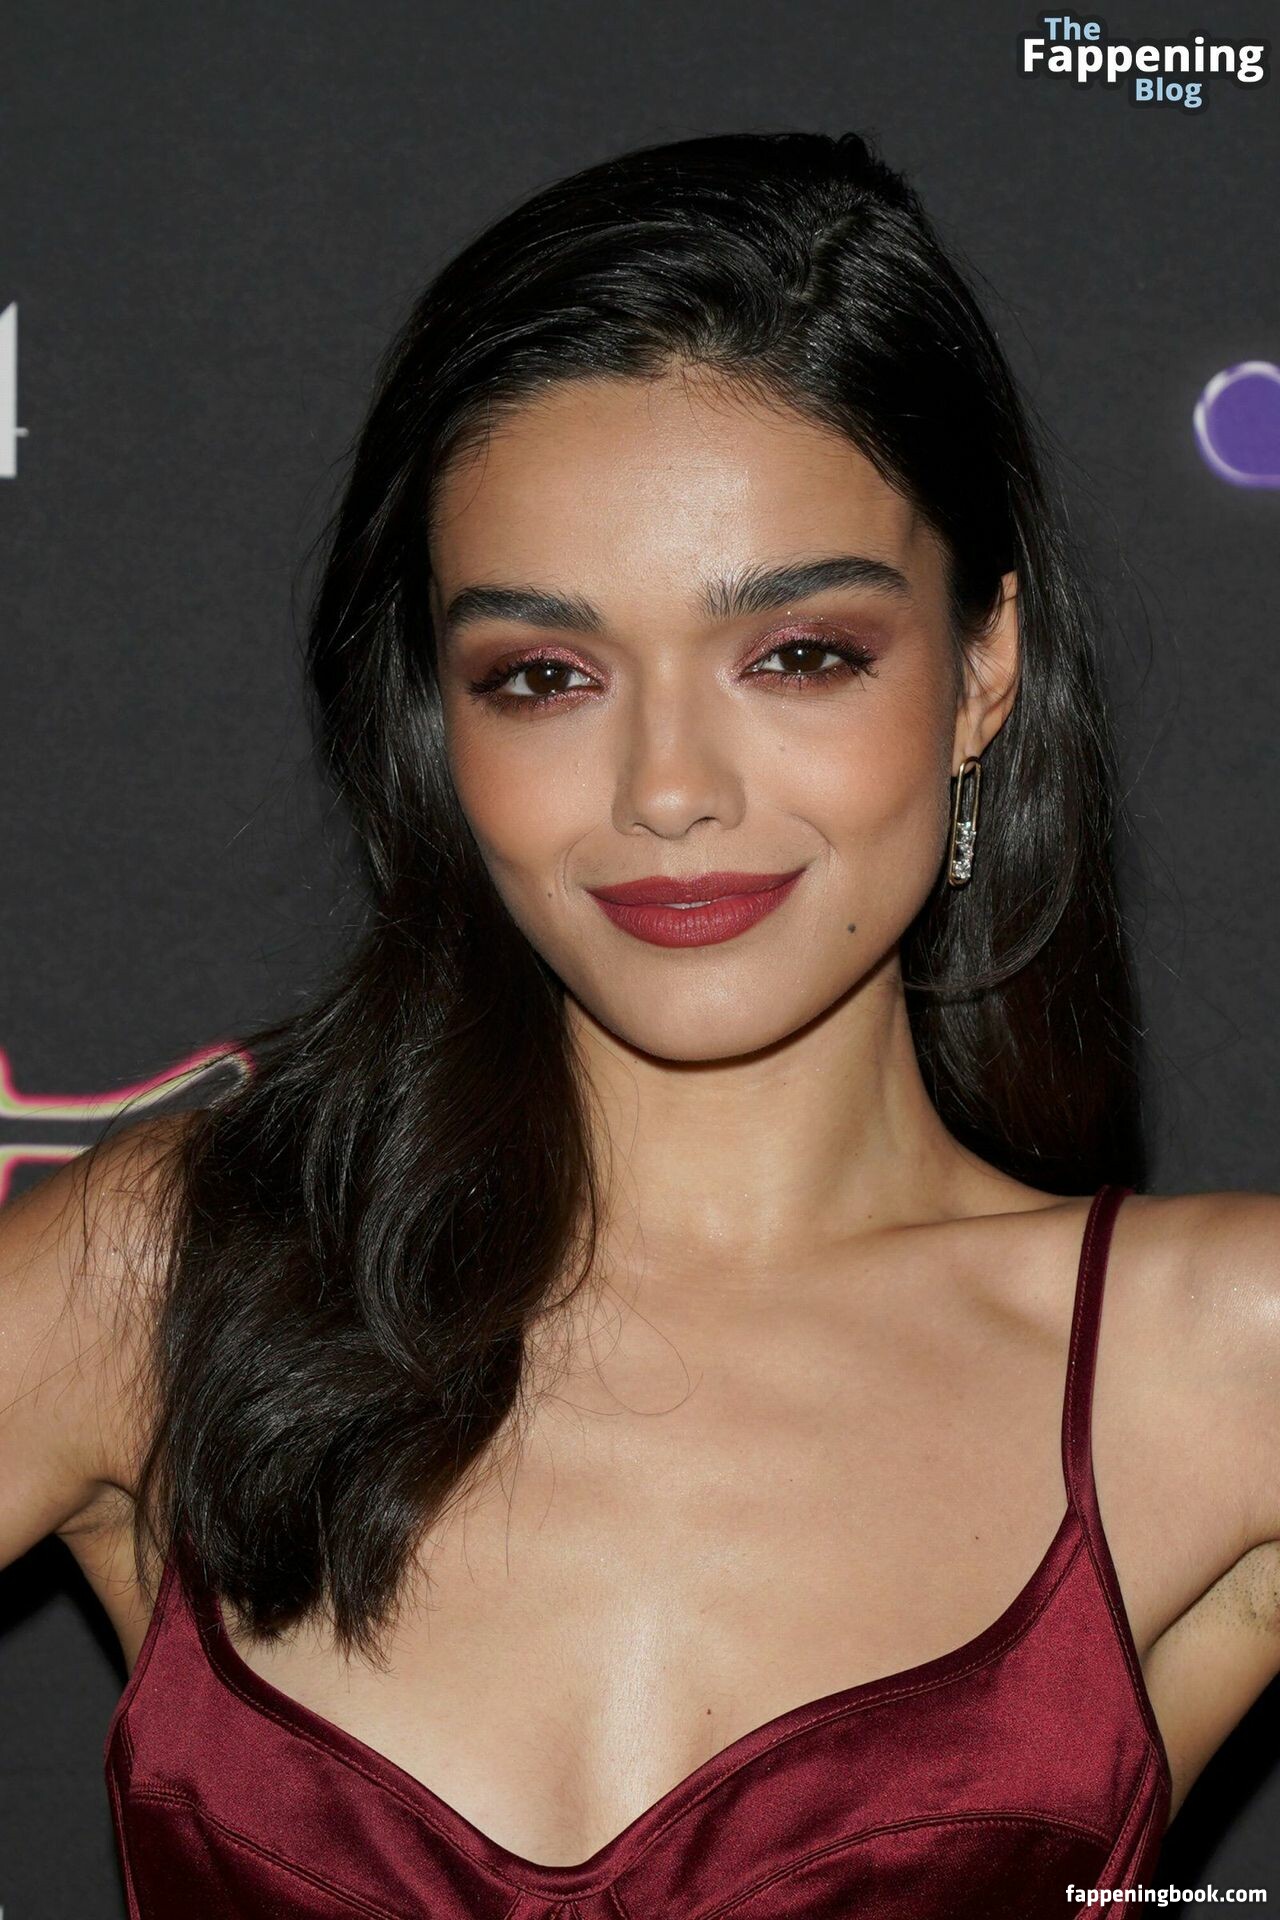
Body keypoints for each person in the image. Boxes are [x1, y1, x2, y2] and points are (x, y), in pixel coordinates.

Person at [3, 128, 1279, 1917]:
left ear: (982, 671)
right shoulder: (169, 1279)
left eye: (798, 653)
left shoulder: (1217, 1362)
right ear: (440, 724)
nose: (669, 788)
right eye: (545, 676)